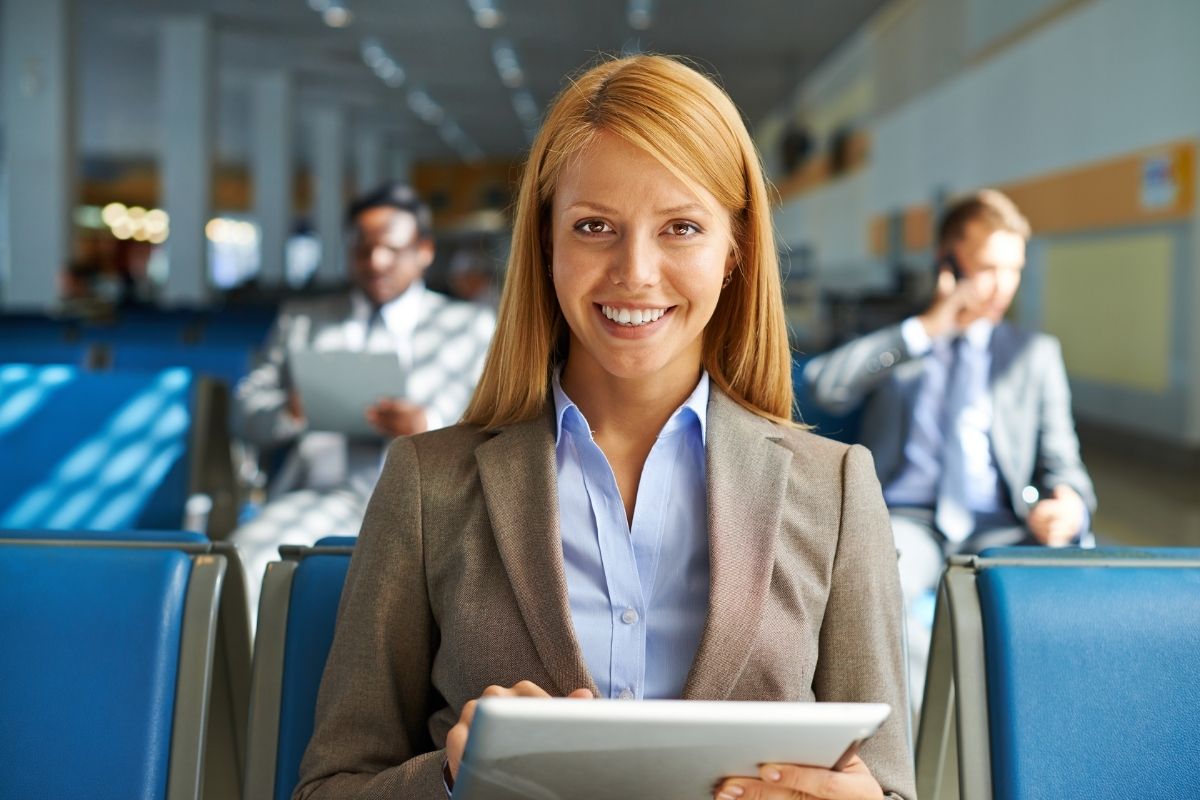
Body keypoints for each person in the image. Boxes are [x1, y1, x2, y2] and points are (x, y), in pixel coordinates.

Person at [295, 55, 914, 800]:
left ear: (734, 249)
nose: (636, 271)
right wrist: (457, 777)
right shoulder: (431, 485)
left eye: (681, 227)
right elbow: (331, 786)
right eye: (594, 227)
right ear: (546, 243)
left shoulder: (836, 490)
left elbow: (887, 784)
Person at [804, 189, 1096, 706]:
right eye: (987, 268)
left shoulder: (1034, 355)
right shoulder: (900, 341)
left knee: (1069, 606)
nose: (1002, 286)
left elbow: (1063, 464)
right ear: (947, 262)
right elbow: (825, 385)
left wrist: (1067, 502)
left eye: (1014, 270)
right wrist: (927, 328)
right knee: (869, 596)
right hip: (907, 519)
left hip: (1000, 521)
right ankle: (921, 744)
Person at [231, 183, 496, 620]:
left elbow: (502, 423)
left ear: (424, 251)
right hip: (321, 496)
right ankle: (252, 688)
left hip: (426, 506)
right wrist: (293, 411)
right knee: (244, 561)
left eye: (391, 249)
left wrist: (430, 426)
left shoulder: (469, 328)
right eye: (362, 249)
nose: (375, 262)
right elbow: (245, 412)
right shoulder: (302, 321)